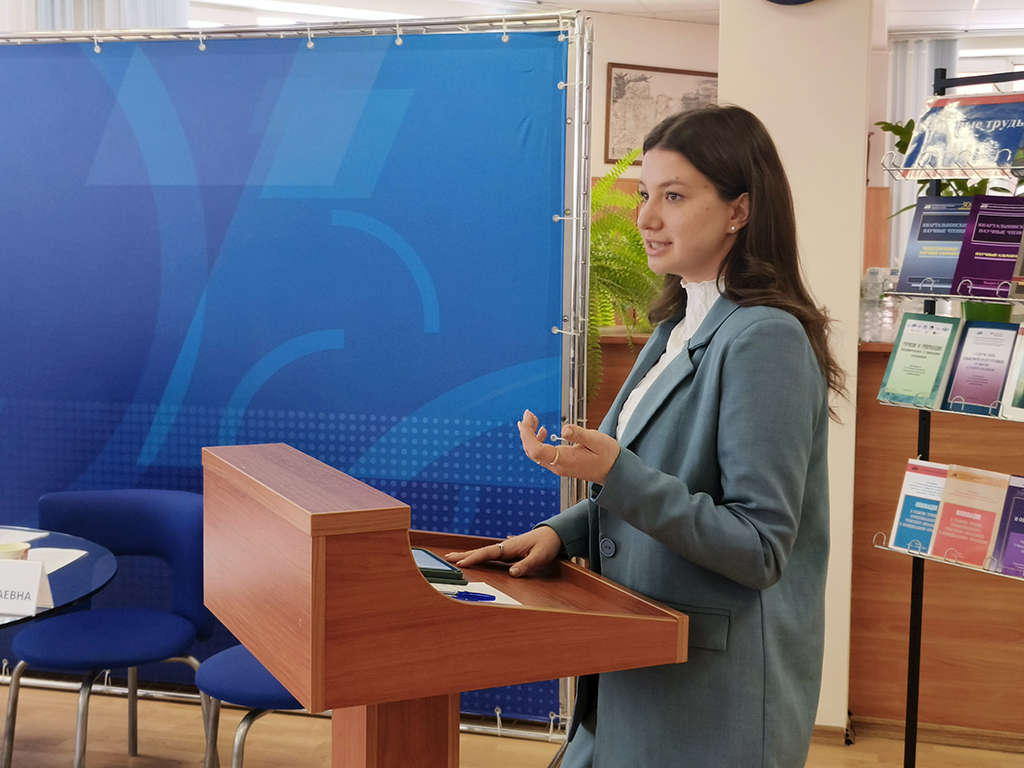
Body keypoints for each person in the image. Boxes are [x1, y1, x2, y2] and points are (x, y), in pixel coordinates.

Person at [445, 104, 845, 768]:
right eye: (643, 195)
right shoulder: (678, 323)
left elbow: (758, 546)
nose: (646, 218)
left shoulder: (764, 338)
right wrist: (562, 534)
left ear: (740, 210)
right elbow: (660, 483)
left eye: (674, 197)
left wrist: (614, 473)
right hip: (638, 664)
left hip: (710, 693)